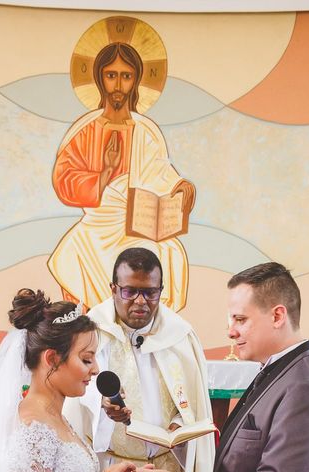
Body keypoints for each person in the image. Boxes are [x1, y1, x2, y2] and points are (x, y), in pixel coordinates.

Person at [134, 262, 309, 472]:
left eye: (240, 319)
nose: (231, 332)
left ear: (277, 316)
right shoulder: (280, 371)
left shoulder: (308, 389)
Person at [48, 41, 195, 311]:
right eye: (111, 75)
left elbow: (160, 172)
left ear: (136, 80)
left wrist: (181, 188)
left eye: (125, 76)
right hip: (96, 226)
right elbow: (64, 180)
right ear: (99, 79)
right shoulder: (85, 129)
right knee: (71, 253)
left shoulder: (145, 130)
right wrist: (104, 172)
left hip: (137, 227)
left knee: (169, 252)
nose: (117, 84)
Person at [63, 248, 215, 472]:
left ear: (161, 291)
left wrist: (179, 423)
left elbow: (192, 402)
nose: (141, 301)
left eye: (150, 292)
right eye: (130, 292)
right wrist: (102, 403)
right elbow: (74, 392)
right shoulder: (92, 330)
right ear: (113, 289)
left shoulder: (180, 335)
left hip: (167, 467)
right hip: (112, 468)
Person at [0, 288, 134, 472]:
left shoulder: (53, 416)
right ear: (51, 358)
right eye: (86, 359)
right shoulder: (34, 432)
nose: (96, 369)